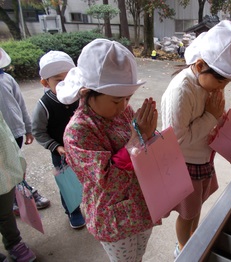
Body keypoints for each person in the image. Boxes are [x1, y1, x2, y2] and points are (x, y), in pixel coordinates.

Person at [56, 39, 159, 261]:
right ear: (86, 92)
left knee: (139, 255)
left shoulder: (122, 111)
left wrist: (149, 135)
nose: (124, 107)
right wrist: (138, 139)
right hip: (113, 216)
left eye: (127, 99)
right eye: (116, 101)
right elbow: (108, 180)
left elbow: (142, 146)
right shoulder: (78, 132)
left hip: (140, 204)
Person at [161, 20, 231, 258]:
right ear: (201, 65)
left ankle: (193, 240)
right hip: (185, 163)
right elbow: (177, 139)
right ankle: (184, 250)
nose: (222, 88)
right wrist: (212, 117)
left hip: (202, 159)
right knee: (187, 213)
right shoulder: (182, 90)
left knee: (197, 207)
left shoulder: (207, 84)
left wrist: (218, 119)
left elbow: (210, 117)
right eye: (221, 80)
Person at [31, 50, 86, 229]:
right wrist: (55, 147)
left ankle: (89, 203)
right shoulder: (44, 105)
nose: (65, 84)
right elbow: (38, 131)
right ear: (45, 82)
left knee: (85, 178)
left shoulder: (80, 96)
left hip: (81, 148)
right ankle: (73, 210)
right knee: (68, 183)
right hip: (61, 152)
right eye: (58, 80)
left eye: (68, 78)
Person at [0, 47, 50, 216]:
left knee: (17, 165)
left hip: (15, 132)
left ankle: (23, 193)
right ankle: (13, 196)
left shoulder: (7, 79)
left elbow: (20, 104)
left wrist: (28, 129)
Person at [0, 111, 36, 262]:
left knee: (5, 211)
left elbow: (6, 134)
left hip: (3, 169)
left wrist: (18, 164)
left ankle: (13, 242)